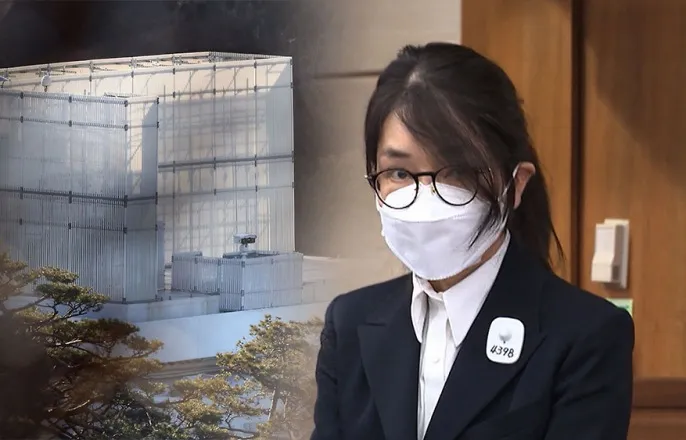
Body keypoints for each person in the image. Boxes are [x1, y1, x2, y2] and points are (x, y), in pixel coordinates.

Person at [310, 42, 634, 440]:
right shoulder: (349, 323)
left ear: (515, 184)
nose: (426, 197)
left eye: (456, 172)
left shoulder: (585, 337)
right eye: (399, 173)